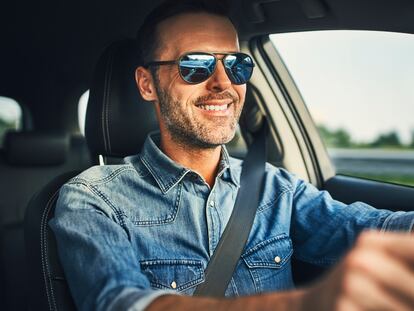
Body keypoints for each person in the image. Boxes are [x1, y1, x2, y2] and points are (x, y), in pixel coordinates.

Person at [50, 1, 414, 310]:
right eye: (195, 65)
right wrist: (305, 304)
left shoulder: (274, 186)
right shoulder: (93, 197)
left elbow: (369, 227)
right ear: (148, 84)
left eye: (236, 65)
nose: (223, 83)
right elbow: (123, 302)